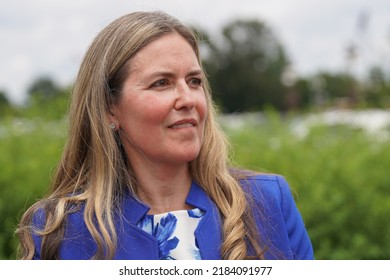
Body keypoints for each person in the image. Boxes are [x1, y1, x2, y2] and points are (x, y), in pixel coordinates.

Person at [16, 11, 314, 260]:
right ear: (109, 109)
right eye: (162, 83)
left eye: (194, 81)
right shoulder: (57, 231)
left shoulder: (267, 202)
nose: (188, 99)